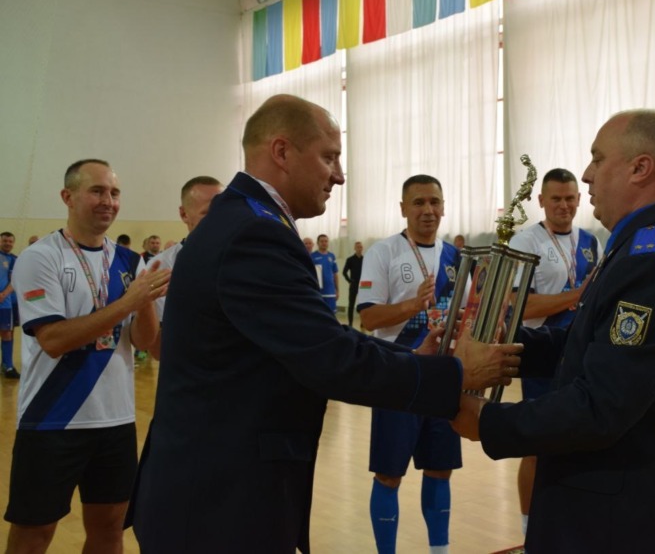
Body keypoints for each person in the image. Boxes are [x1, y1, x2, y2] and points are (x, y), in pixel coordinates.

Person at [127, 94, 522, 554]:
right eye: (329, 157)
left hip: (215, 488)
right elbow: (330, 358)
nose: (339, 175)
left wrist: (413, 357)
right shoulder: (254, 232)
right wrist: (456, 373)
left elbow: (320, 336)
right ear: (281, 152)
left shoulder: (246, 220)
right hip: (219, 501)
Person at [451, 109, 655, 553]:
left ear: (640, 168)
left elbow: (601, 406)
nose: (587, 174)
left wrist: (487, 421)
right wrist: (509, 345)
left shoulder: (650, 262)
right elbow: (593, 343)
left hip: (626, 518)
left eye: (597, 159)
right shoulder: (648, 243)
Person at [4, 159, 169, 554]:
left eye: (114, 192)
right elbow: (54, 339)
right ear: (68, 196)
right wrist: (129, 300)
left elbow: (144, 341)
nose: (108, 200)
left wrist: (145, 300)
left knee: (110, 531)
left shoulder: (130, 261)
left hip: (115, 420)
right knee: (33, 535)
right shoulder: (40, 257)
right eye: (97, 191)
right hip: (51, 418)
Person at [357, 175, 464, 554]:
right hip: (397, 375)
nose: (428, 210)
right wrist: (413, 305)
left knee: (440, 469)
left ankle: (440, 550)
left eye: (434, 201)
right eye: (418, 202)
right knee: (389, 474)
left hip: (442, 377)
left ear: (444, 206)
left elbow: (463, 314)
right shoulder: (383, 252)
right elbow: (368, 318)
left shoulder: (457, 258)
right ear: (403, 208)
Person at [507, 168, 599, 535]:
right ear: (541, 200)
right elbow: (519, 306)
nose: (564, 205)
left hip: (583, 356)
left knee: (580, 440)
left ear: (579, 199)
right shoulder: (525, 241)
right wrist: (576, 295)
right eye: (556, 198)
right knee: (538, 444)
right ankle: (530, 528)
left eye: (570, 198)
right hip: (542, 355)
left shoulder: (591, 241)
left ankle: (573, 521)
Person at [141, 175, 224, 360]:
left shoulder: (243, 259)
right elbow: (158, 349)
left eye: (224, 210)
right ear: (184, 214)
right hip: (191, 369)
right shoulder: (164, 265)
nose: (219, 219)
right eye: (207, 213)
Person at [1, 231, 21, 378]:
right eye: (5, 241)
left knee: (7, 332)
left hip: (6, 303)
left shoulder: (15, 260)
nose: (7, 244)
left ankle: (7, 366)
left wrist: (3, 294)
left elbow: (15, 280)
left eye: (10, 241)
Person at [311, 234, 339, 313]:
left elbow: (335, 274)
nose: (324, 243)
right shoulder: (312, 256)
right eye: (322, 241)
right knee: (318, 313)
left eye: (326, 241)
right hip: (318, 292)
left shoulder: (332, 256)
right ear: (318, 243)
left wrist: (337, 290)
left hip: (330, 292)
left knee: (331, 314)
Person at [342, 241, 364, 327]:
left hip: (364, 285)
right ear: (354, 248)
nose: (359, 248)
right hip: (354, 284)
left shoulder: (365, 259)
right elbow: (344, 272)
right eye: (357, 247)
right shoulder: (350, 259)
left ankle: (363, 322)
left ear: (362, 248)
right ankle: (350, 323)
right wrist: (349, 281)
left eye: (360, 247)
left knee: (363, 305)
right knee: (351, 304)